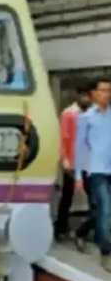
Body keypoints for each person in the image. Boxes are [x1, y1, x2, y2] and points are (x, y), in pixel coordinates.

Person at [75, 77, 111, 272]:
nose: (107, 94)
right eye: (103, 90)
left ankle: (81, 231)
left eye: (109, 90)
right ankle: (106, 253)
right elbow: (80, 148)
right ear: (95, 94)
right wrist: (79, 175)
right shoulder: (86, 118)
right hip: (97, 171)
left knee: (104, 212)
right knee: (105, 209)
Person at [55, 85, 92, 241]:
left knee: (95, 198)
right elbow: (63, 139)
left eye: (89, 96)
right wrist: (65, 162)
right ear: (79, 95)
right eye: (84, 95)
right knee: (67, 197)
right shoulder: (69, 114)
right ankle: (61, 228)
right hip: (73, 163)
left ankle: (88, 230)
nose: (87, 99)